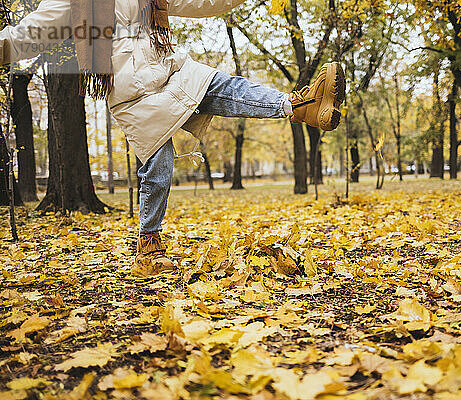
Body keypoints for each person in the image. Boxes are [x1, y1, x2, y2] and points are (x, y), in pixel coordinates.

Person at [0, 0, 346, 276]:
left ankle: (300, 106)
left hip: (170, 71)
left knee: (222, 85)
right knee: (160, 167)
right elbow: (25, 36)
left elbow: (204, 2)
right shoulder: (72, 3)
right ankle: (148, 245)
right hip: (132, 95)